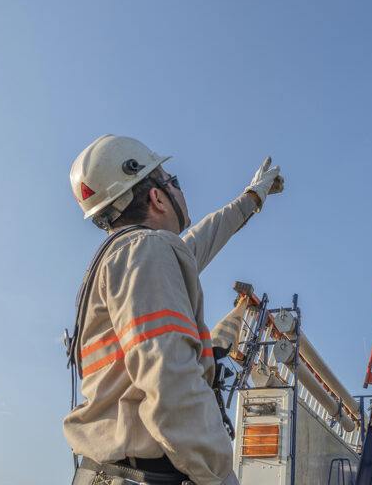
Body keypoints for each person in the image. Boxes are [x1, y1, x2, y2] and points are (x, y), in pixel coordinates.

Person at [63, 134, 284, 485]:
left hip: (113, 471)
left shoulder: (125, 259)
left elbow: (203, 238)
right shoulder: (148, 253)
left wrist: (252, 197)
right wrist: (218, 474)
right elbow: (169, 378)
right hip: (148, 473)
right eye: (172, 182)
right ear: (156, 196)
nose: (179, 190)